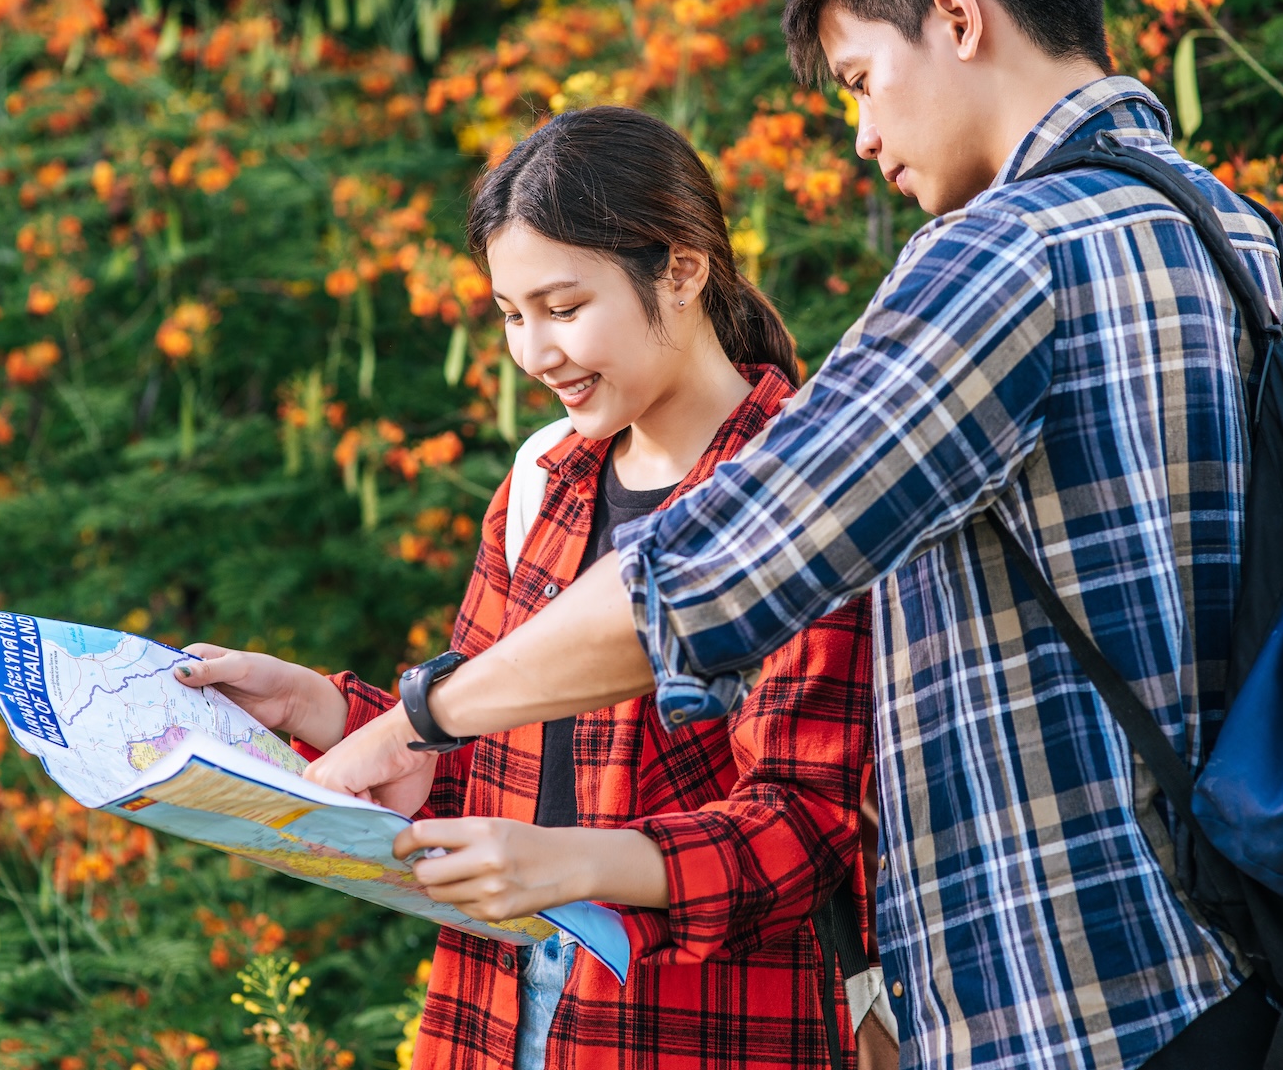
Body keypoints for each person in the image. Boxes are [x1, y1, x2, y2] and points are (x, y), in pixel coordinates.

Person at [298, 0, 1283, 1070]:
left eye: (862, 80)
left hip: (1081, 987)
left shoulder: (1003, 255)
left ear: (957, 18)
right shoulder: (1231, 233)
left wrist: (424, 715)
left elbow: (718, 577)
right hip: (1257, 947)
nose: (864, 134)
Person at [174, 105, 890, 1070]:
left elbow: (804, 830)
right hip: (492, 1012)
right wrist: (318, 707)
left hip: (691, 1026)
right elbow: (476, 758)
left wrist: (570, 863)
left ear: (682, 271)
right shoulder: (542, 480)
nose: (534, 353)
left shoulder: (811, 490)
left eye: (563, 307)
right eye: (512, 315)